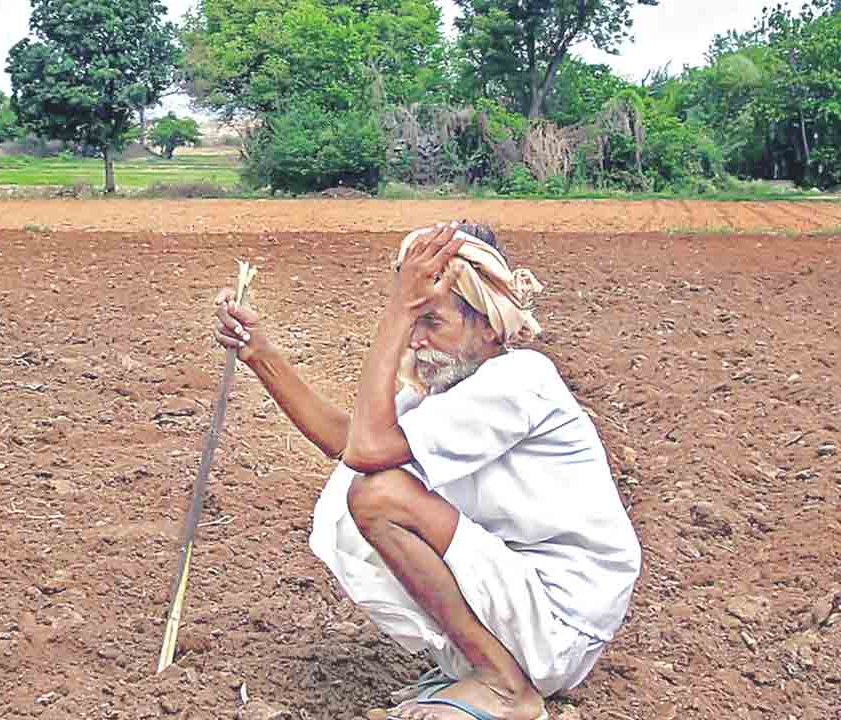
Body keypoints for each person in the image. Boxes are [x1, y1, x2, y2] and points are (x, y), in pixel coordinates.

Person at [212, 221, 641, 720]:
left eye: (430, 321)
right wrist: (261, 355)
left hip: (560, 620)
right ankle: (487, 666)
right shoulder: (451, 381)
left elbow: (367, 452)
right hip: (532, 605)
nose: (417, 341)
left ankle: (504, 686)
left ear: (488, 323)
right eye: (415, 323)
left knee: (379, 498)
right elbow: (347, 441)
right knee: (374, 489)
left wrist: (399, 310)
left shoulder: (519, 380)